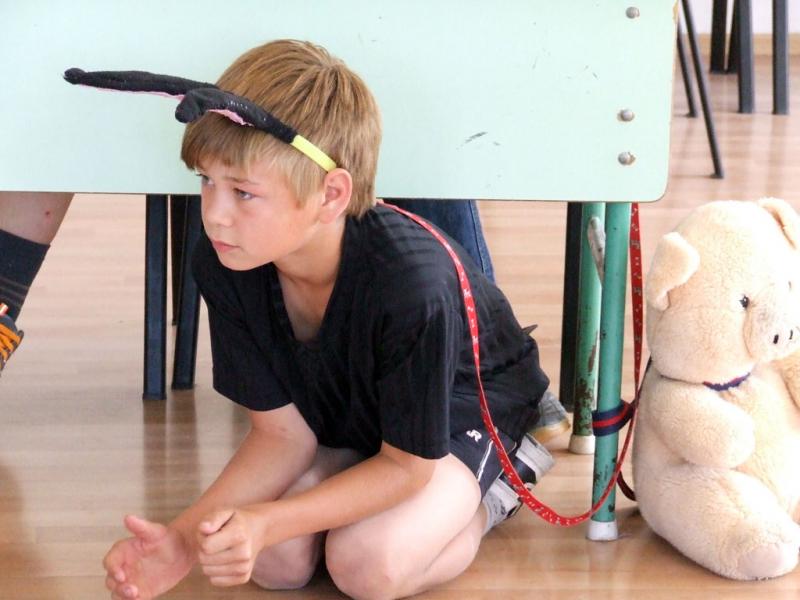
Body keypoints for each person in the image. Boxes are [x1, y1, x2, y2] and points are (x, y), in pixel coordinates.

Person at [96, 39, 552, 600]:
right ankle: (359, 470)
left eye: (243, 192)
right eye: (206, 181)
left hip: (458, 413)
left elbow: (408, 467)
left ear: (331, 195)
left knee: (366, 565)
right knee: (275, 562)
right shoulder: (227, 258)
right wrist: (183, 542)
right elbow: (281, 436)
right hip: (358, 413)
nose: (214, 214)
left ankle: (491, 496)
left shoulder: (413, 282)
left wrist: (267, 518)